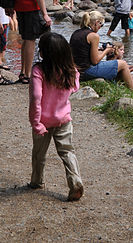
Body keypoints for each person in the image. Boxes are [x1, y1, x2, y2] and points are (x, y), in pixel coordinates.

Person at [28, 32, 84, 202]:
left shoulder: (39, 70)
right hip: (64, 119)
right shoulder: (71, 70)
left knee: (39, 153)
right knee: (67, 151)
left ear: (43, 52)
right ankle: (75, 182)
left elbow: (36, 97)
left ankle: (37, 182)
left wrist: (35, 122)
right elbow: (75, 88)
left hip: (43, 121)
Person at [69, 11, 133, 93]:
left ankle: (121, 86)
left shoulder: (76, 33)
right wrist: (107, 50)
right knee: (122, 63)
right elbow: (95, 61)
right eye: (101, 25)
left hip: (77, 70)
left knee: (119, 65)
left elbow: (82, 53)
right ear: (96, 23)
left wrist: (99, 50)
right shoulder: (94, 36)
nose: (100, 28)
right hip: (87, 71)